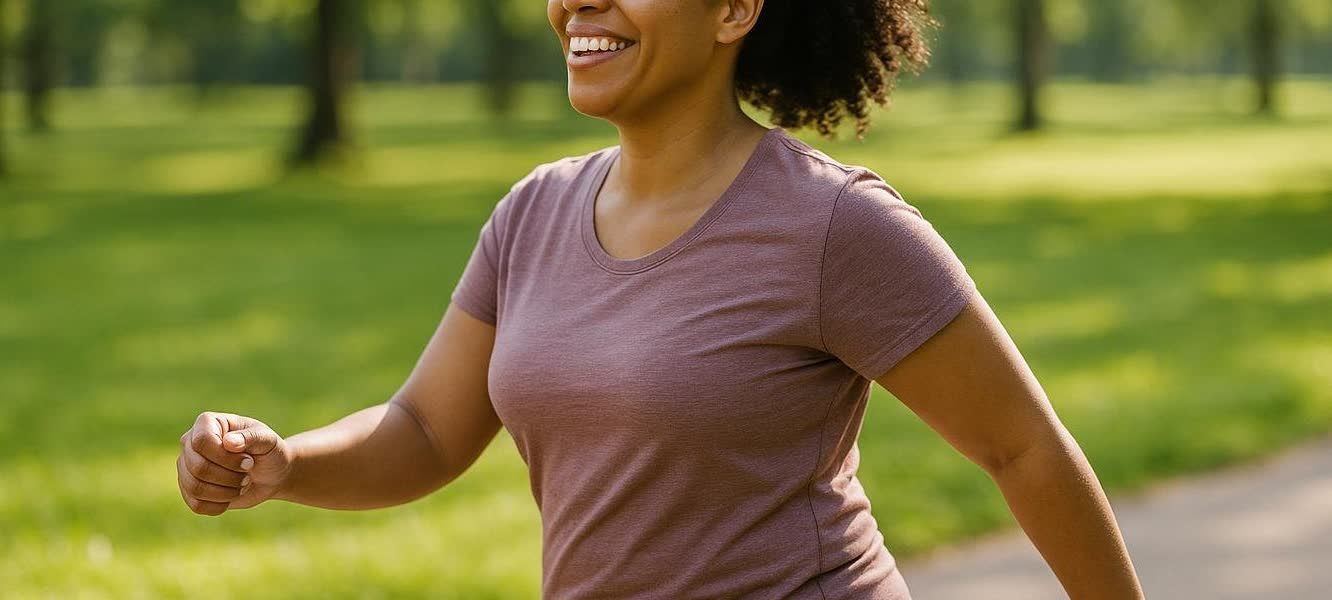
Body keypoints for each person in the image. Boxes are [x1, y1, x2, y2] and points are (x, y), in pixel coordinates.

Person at [175, 1, 1145, 598]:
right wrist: (286, 461)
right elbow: (426, 431)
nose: (578, 3)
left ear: (734, 9)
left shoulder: (831, 226)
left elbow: (1021, 446)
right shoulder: (533, 215)